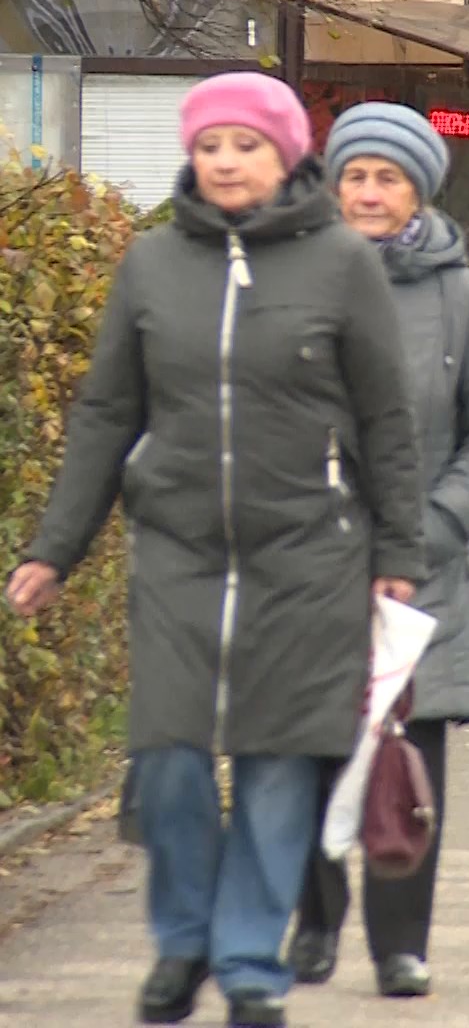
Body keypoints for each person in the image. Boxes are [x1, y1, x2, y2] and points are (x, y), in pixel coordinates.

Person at [4, 71, 424, 1028]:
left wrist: (398, 549)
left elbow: (385, 418)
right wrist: (55, 548)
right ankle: (184, 937)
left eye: (246, 145)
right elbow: (106, 412)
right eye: (209, 146)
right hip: (179, 554)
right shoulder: (152, 264)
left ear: (286, 155)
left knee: (278, 766)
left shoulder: (340, 264)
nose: (226, 162)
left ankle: (246, 965)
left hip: (308, 555)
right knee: (169, 757)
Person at [283, 101, 469, 1001]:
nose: (370, 193)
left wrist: (426, 533)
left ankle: (399, 945)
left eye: (389, 178)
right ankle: (314, 918)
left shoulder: (464, 298)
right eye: (355, 176)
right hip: (307, 564)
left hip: (421, 574)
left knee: (406, 757)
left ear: (418, 191)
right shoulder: (294, 281)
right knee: (302, 749)